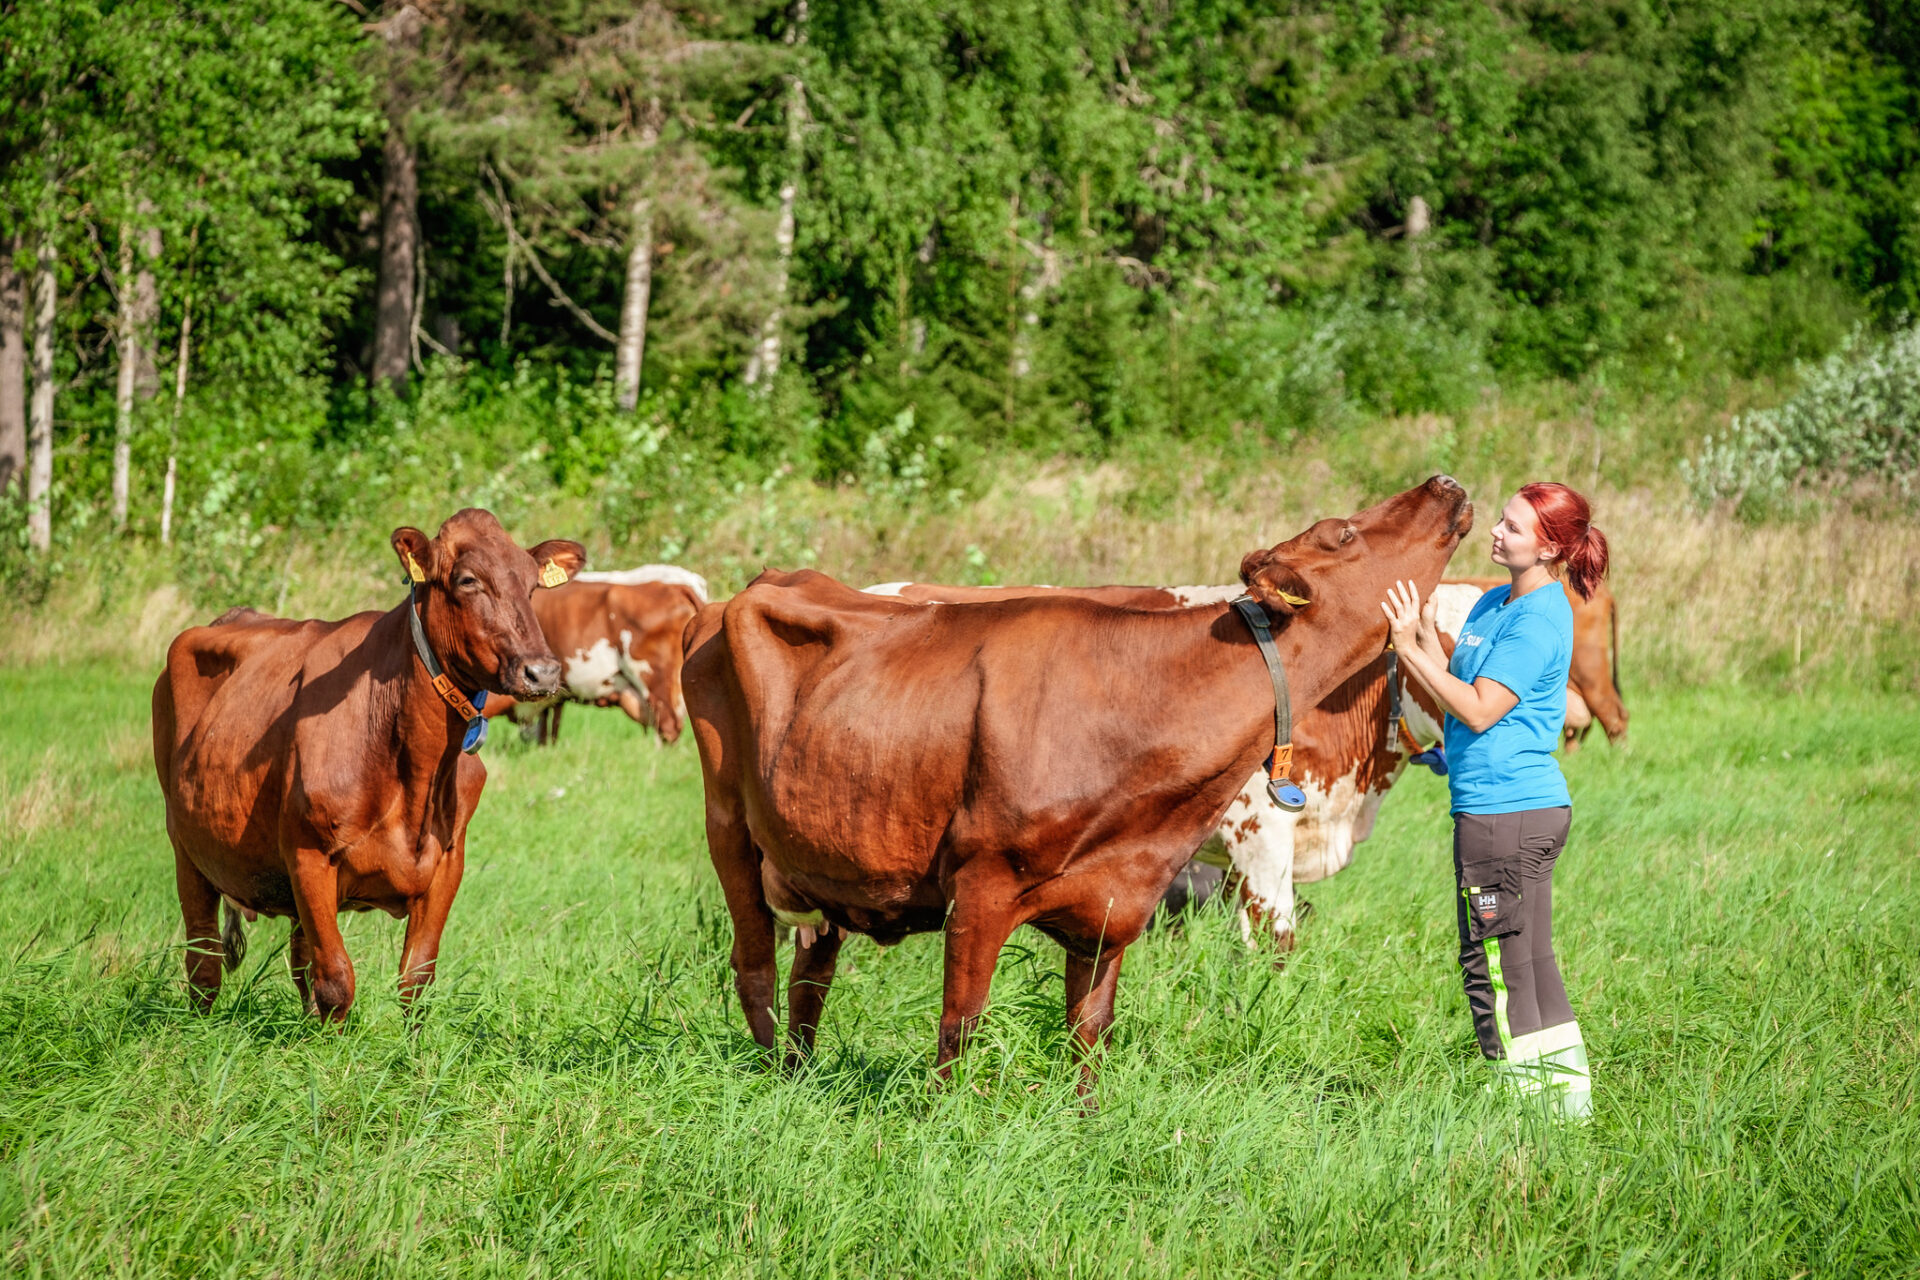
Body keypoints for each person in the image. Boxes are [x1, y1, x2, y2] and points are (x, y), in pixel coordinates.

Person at [1380, 482, 1609, 1120]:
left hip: (1506, 818)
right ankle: (1566, 1106)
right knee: (1528, 959)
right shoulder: (1493, 603)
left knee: (1496, 967)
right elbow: (1455, 678)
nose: (1496, 533)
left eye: (1511, 527)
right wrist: (1423, 632)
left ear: (1550, 547)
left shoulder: (1539, 617)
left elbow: (1479, 710)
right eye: (1501, 522)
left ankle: (1525, 1112)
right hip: (1500, 812)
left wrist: (1403, 650)